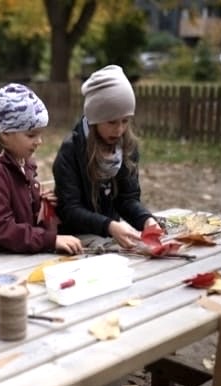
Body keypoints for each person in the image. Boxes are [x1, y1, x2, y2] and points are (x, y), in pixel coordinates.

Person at [0, 82, 83, 261]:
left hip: (17, 258)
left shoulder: (20, 161)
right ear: (5, 133)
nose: (39, 141)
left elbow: (21, 213)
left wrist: (39, 203)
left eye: (40, 134)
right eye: (31, 135)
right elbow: (0, 229)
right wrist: (50, 240)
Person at [52, 65, 160, 249]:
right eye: (111, 122)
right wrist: (109, 226)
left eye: (125, 121)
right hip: (76, 237)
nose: (119, 130)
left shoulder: (127, 147)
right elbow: (70, 210)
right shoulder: (71, 150)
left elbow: (127, 199)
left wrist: (146, 220)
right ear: (94, 119)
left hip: (110, 231)